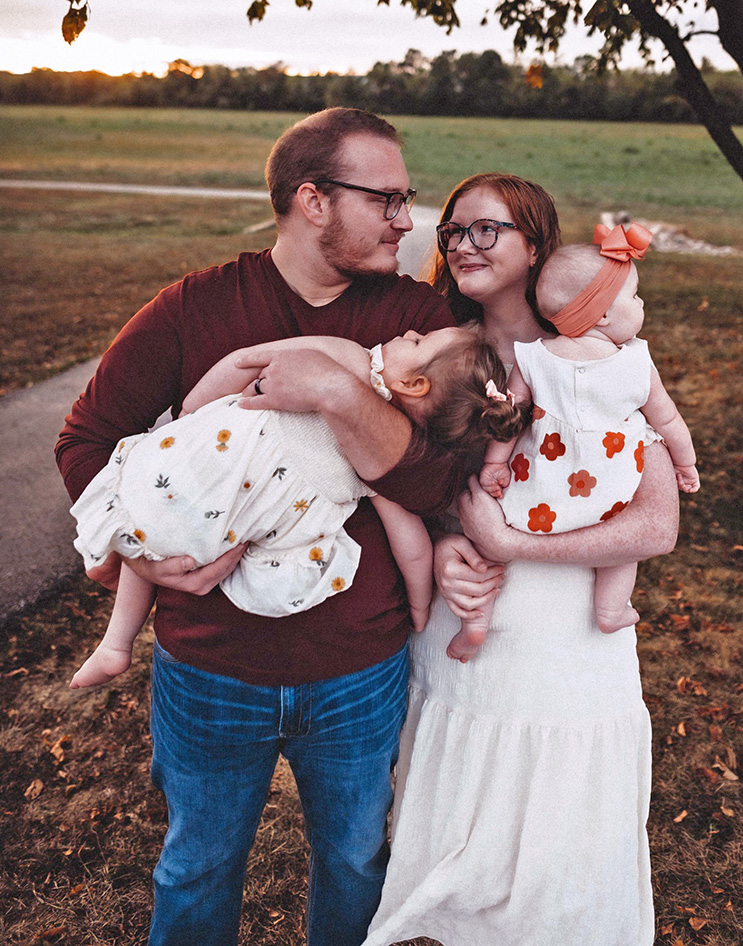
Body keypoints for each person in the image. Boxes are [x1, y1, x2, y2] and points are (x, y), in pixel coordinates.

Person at [56, 107, 471, 946]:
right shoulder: (191, 308)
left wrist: (338, 392)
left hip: (359, 666)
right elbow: (87, 444)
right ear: (312, 200)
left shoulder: (421, 323)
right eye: (385, 199)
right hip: (211, 665)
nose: (407, 219)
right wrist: (144, 553)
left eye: (407, 199)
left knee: (355, 861)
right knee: (198, 865)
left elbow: (440, 480)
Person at [361, 173, 680, 946]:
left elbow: (656, 523)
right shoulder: (433, 350)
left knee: (561, 814)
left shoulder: (595, 352)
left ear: (534, 241)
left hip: (567, 629)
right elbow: (388, 478)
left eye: (487, 230)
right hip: (463, 626)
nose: (463, 244)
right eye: (453, 232)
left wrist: (514, 545)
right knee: (463, 808)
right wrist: (443, 547)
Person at [69, 328, 525, 689]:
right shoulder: (380, 448)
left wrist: (193, 412)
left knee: (161, 515)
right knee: (174, 523)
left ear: (413, 382)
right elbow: (413, 548)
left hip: (226, 473)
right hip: (244, 485)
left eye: (419, 341)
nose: (408, 332)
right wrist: (420, 608)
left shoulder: (355, 372)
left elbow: (246, 359)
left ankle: (115, 640)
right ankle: (114, 635)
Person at [447, 222, 700, 662]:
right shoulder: (637, 363)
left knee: (489, 545)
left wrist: (495, 464)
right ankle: (610, 608)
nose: (641, 305)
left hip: (538, 492)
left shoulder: (534, 356)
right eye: (634, 297)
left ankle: (476, 623)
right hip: (609, 498)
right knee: (621, 556)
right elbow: (670, 420)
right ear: (602, 315)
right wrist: (686, 464)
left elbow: (511, 416)